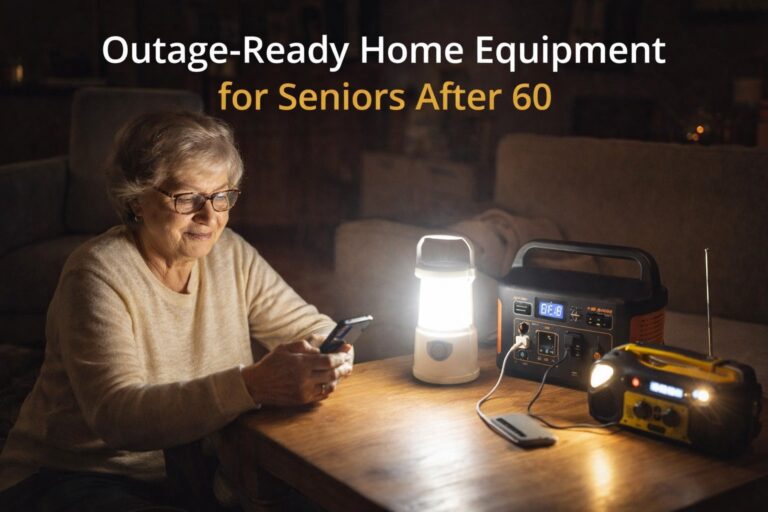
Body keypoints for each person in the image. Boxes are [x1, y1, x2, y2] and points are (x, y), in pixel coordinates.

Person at [0, 111, 353, 511]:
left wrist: (331, 354)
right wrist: (251, 386)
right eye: (187, 198)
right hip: (75, 474)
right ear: (136, 199)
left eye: (222, 196)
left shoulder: (231, 254)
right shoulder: (96, 272)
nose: (210, 216)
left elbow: (314, 328)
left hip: (192, 467)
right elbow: (117, 417)